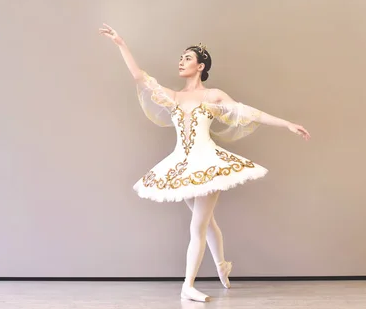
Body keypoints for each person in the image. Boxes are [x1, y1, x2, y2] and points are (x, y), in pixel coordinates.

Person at [99, 23, 311, 302]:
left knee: (198, 225)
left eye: (187, 58)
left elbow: (250, 113)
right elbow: (139, 77)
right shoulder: (173, 97)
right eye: (181, 57)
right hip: (181, 165)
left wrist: (286, 124)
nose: (181, 61)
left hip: (208, 164)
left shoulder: (213, 96)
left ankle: (188, 285)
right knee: (207, 222)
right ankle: (222, 266)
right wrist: (121, 43)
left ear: (200, 66)